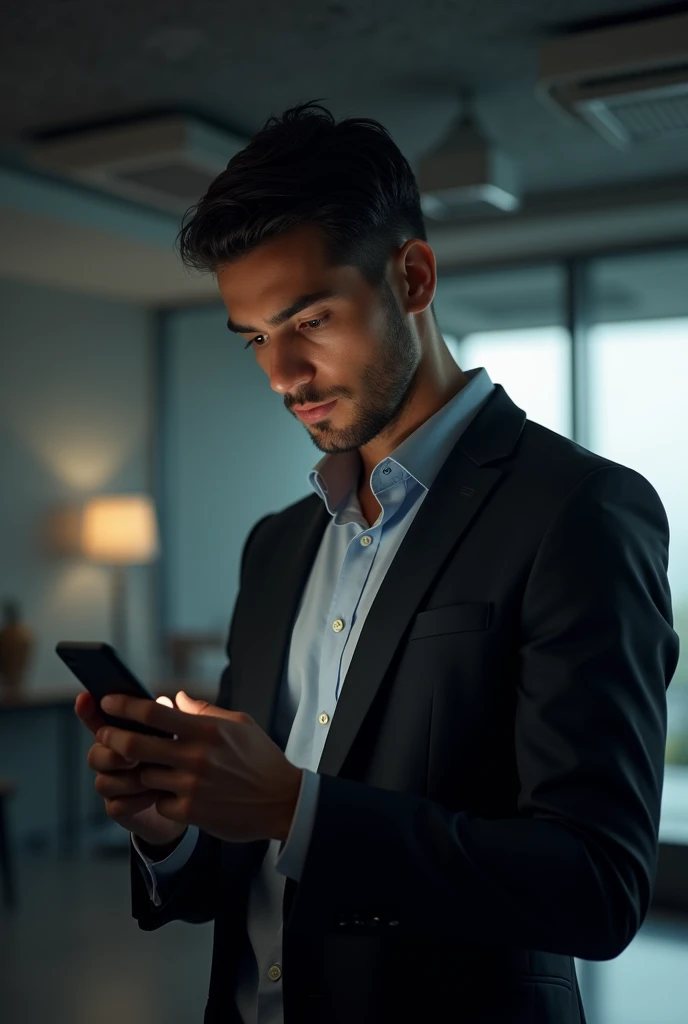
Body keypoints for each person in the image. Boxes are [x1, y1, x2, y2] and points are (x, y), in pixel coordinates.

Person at [75, 102, 679, 1024]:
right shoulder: (276, 545)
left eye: (310, 319)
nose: (283, 373)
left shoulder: (580, 510)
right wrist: (172, 830)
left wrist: (293, 808)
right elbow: (242, 880)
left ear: (413, 275)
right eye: (254, 339)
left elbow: (595, 886)